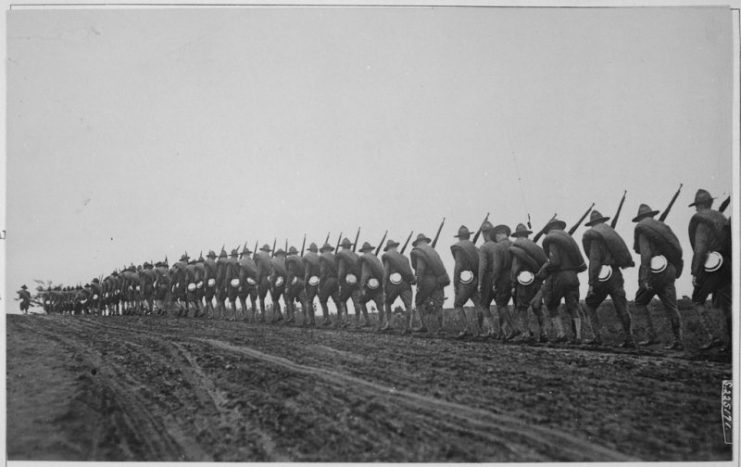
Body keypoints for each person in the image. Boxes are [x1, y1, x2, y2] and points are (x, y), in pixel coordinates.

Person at [631, 203, 685, 349]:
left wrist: (644, 278)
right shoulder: (663, 227)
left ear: (640, 218)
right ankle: (678, 340)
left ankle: (652, 336)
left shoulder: (642, 229)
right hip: (669, 269)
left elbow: (646, 254)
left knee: (640, 302)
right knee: (672, 306)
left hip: (653, 271)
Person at [581, 210, 636, 347]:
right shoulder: (612, 236)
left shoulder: (594, 238)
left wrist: (591, 283)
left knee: (589, 305)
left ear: (592, 224)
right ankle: (630, 338)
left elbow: (594, 261)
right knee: (622, 306)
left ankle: (597, 337)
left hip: (602, 275)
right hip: (616, 273)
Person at [688, 189, 731, 351]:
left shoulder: (701, 221)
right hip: (727, 263)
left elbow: (700, 250)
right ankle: (731, 344)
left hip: (712, 265)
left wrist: (695, 272)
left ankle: (714, 337)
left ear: (698, 205)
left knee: (697, 300)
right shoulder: (722, 217)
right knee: (726, 304)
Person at [538, 218, 587, 343]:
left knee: (551, 305)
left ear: (549, 229)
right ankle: (578, 336)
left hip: (560, 277)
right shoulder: (569, 241)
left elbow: (555, 262)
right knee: (573, 306)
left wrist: (544, 268)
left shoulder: (552, 241)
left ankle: (561, 334)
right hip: (573, 276)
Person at [509, 223, 549, 342]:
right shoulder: (535, 248)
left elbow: (515, 267)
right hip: (536, 280)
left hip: (523, 282)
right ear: (527, 234)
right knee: (538, 308)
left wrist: (513, 283)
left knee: (522, 308)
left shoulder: (517, 249)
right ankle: (544, 332)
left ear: (517, 236)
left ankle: (526, 333)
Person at [479, 224, 518, 340]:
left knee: (490, 304)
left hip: (497, 278)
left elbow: (484, 266)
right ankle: (504, 331)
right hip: (514, 275)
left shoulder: (487, 247)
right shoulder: (513, 244)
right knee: (507, 304)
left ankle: (495, 330)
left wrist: (484, 282)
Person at [410, 233, 450, 334]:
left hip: (427, 280)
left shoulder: (418, 252)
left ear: (417, 242)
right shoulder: (432, 251)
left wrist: (418, 284)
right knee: (438, 304)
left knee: (418, 302)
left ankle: (423, 326)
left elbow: (420, 269)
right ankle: (441, 327)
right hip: (439, 279)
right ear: (426, 241)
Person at [450, 225, 483, 338]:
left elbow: (458, 266)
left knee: (458, 304)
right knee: (479, 304)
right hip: (475, 278)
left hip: (464, 280)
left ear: (459, 237)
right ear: (468, 235)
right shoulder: (475, 247)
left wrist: (455, 283)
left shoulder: (458, 247)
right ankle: (482, 329)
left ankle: (464, 329)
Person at [381, 239, 416, 333]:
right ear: (395, 247)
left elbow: (386, 272)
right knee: (408, 305)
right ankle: (408, 326)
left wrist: (384, 286)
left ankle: (389, 324)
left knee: (387, 303)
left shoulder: (387, 256)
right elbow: (409, 272)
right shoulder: (404, 258)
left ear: (387, 248)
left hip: (392, 283)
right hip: (405, 284)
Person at [336, 237, 369, 327]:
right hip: (356, 282)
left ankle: (345, 321)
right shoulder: (356, 255)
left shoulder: (341, 255)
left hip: (346, 282)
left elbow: (341, 270)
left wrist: (339, 281)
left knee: (342, 300)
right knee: (357, 302)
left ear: (342, 247)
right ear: (350, 246)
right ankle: (357, 322)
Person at [357, 241, 386, 330]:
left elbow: (365, 274)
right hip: (379, 284)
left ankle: (367, 321)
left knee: (361, 302)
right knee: (380, 305)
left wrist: (362, 286)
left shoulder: (365, 259)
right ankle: (382, 323)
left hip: (369, 285)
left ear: (364, 251)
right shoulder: (376, 259)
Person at [318, 242, 342, 327]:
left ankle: (326, 319)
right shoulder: (335, 257)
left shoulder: (323, 258)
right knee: (337, 300)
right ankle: (340, 319)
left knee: (322, 300)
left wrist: (320, 284)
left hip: (328, 280)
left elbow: (323, 272)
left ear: (323, 250)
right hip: (336, 280)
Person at [285, 246, 308, 325]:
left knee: (289, 300)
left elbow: (290, 273)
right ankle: (306, 319)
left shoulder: (291, 260)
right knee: (303, 301)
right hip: (301, 281)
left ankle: (291, 318)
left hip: (294, 282)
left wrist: (287, 286)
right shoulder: (301, 259)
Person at [302, 242, 322, 325]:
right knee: (322, 301)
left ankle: (311, 320)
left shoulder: (308, 258)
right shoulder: (320, 257)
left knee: (309, 301)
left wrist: (304, 283)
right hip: (320, 281)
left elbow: (307, 272)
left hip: (311, 282)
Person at [254, 244, 274, 322]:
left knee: (261, 298)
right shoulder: (270, 258)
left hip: (264, 279)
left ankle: (263, 316)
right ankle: (276, 316)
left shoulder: (259, 257)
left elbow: (259, 271)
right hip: (271, 279)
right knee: (274, 299)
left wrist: (257, 282)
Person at [270, 249, 288, 323]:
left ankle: (276, 316)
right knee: (287, 300)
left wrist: (271, 285)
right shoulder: (287, 261)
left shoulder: (274, 262)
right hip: (286, 282)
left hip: (277, 282)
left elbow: (273, 274)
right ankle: (289, 317)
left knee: (275, 300)